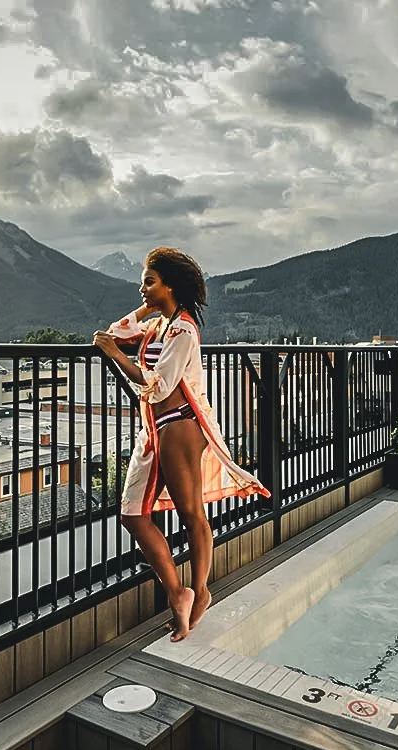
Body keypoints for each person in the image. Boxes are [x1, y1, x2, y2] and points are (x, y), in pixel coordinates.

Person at [93, 247, 269, 642]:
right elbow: (114, 332)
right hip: (155, 431)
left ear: (170, 286)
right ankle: (178, 591)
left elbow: (159, 386)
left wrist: (114, 355)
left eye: (149, 281)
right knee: (132, 514)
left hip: (179, 427)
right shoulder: (158, 326)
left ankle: (200, 590)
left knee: (191, 514)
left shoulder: (183, 330)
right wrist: (145, 309)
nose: (142, 287)